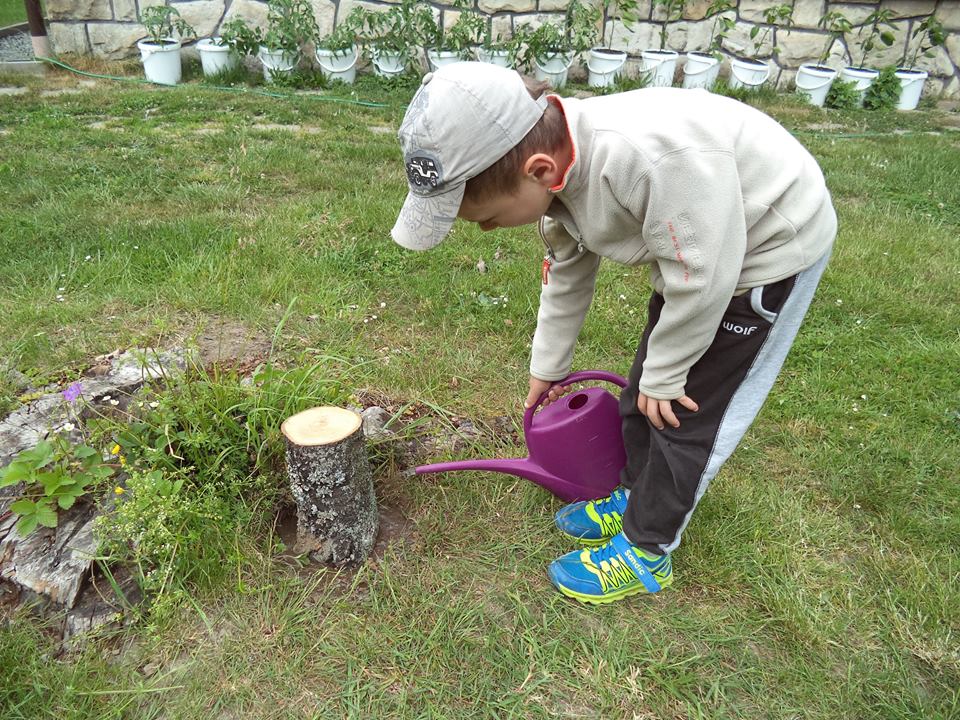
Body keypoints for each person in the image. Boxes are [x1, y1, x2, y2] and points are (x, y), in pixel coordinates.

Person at [391, 62, 836, 604]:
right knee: (642, 392)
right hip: (699, 250)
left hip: (762, 250)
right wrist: (548, 368)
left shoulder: (646, 162)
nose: (487, 230)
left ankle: (648, 549)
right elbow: (566, 276)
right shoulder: (556, 183)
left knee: (686, 412)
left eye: (486, 218)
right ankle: (633, 493)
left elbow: (703, 277)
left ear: (537, 170)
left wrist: (669, 373)